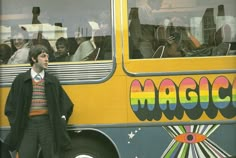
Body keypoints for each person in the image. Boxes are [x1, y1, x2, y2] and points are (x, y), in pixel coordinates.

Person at [4, 44, 74, 158]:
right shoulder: (20, 80)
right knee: (26, 154)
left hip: (48, 124)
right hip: (27, 125)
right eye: (43, 56)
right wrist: (16, 122)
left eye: (47, 56)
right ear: (33, 59)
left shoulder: (52, 80)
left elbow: (65, 103)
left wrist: (62, 118)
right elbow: (10, 106)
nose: (47, 59)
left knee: (51, 155)